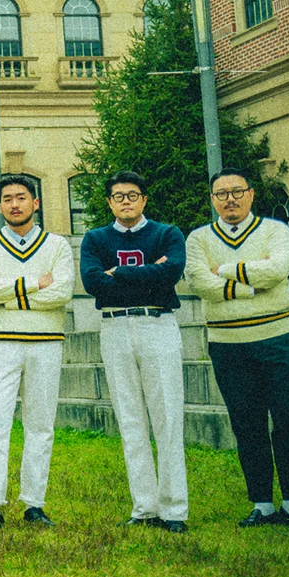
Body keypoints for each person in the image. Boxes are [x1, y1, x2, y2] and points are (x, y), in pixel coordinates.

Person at [184, 167, 289, 529]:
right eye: (222, 194)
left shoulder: (276, 230)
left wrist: (223, 269)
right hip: (228, 345)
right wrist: (247, 286)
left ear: (251, 194)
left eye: (237, 191)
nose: (230, 199)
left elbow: (279, 270)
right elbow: (198, 280)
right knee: (247, 425)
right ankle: (262, 503)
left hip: (279, 339)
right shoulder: (198, 239)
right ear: (212, 200)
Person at [78, 171, 189, 533]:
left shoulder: (167, 233)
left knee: (168, 417)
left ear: (144, 199)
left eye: (132, 195)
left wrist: (119, 275)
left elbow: (171, 272)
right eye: (118, 196)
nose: (126, 201)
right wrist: (147, 273)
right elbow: (94, 283)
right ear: (109, 202)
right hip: (115, 327)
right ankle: (144, 507)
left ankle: (174, 510)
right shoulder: (95, 239)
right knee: (130, 419)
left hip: (157, 324)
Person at [0, 175, 74, 531]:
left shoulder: (57, 244)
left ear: (36, 203)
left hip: (46, 342)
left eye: (22, 197)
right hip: (1, 342)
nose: (15, 204)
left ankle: (34, 504)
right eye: (8, 199)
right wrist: (32, 283)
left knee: (40, 424)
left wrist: (8, 294)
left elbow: (61, 293)